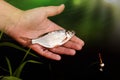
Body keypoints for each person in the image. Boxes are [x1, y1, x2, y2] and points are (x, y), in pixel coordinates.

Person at [0, 0, 84, 60]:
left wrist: (14, 20)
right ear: (68, 33)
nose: (72, 34)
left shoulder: (65, 36)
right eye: (71, 33)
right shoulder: (65, 35)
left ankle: (32, 41)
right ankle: (32, 41)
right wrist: (16, 20)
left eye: (71, 33)